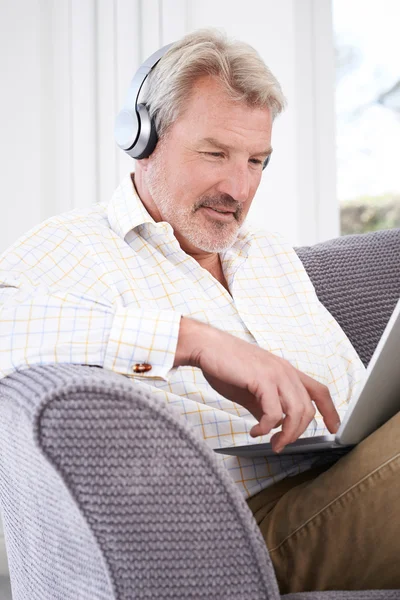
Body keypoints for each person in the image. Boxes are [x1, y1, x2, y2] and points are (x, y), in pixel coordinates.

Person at [0, 29, 398, 594]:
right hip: (240, 538)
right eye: (215, 153)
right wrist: (194, 340)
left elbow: (354, 399)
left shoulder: (269, 257)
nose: (239, 187)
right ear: (143, 139)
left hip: (337, 485)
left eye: (257, 160)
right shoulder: (75, 248)